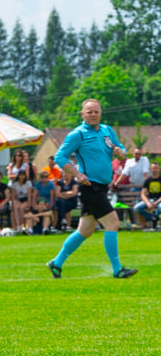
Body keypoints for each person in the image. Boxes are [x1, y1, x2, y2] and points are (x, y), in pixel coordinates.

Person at [46, 99, 137, 279]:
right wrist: (77, 174)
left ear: (100, 112)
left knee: (84, 231)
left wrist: (122, 152)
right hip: (90, 188)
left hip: (102, 188)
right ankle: (118, 269)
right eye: (89, 112)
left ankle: (56, 263)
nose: (93, 114)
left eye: (96, 111)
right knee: (113, 223)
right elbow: (60, 157)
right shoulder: (77, 134)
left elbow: (122, 149)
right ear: (82, 114)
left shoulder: (107, 130)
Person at [134, 161, 160, 230]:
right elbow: (143, 193)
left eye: (156, 168)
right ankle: (152, 217)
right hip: (150, 200)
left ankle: (155, 218)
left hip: (159, 201)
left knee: (160, 207)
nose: (155, 170)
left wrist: (157, 202)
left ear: (159, 169)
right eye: (153, 168)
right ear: (150, 169)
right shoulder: (148, 180)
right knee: (136, 208)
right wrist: (147, 202)